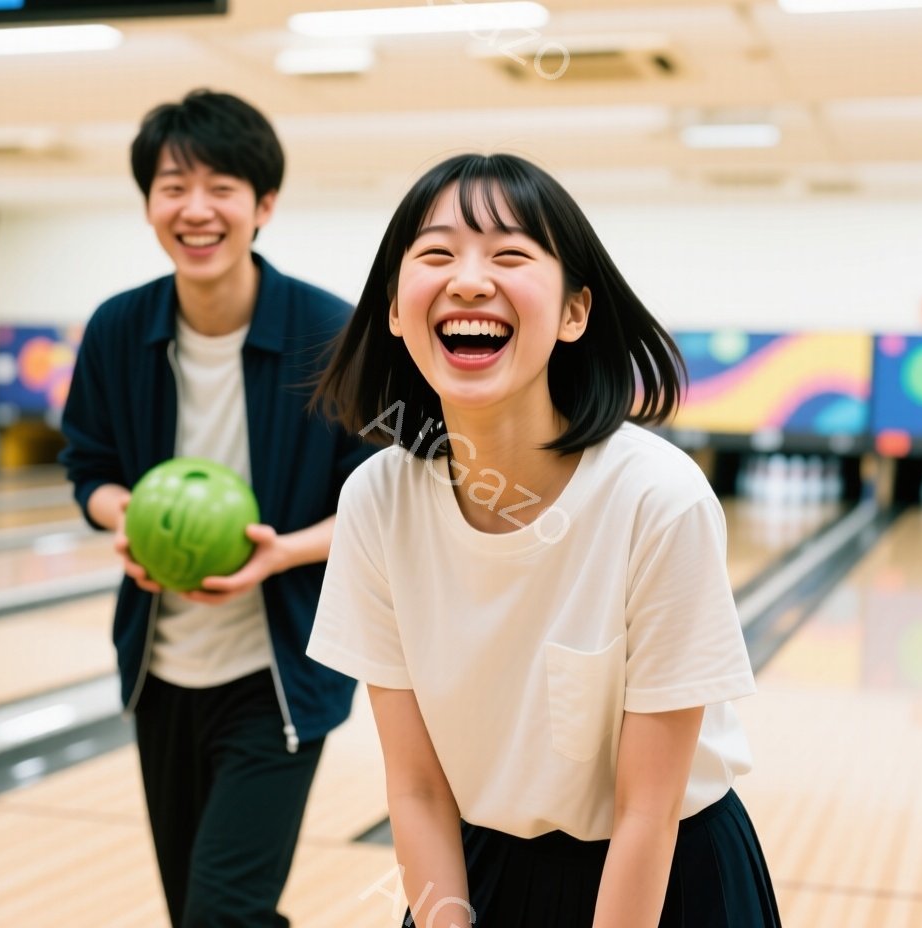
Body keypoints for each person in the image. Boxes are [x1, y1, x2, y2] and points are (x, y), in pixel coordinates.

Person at [309, 153, 783, 927]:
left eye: (509, 254)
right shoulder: (376, 501)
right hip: (471, 868)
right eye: (435, 254)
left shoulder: (658, 499)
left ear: (574, 313)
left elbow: (646, 812)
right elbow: (419, 791)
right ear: (395, 310)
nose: (468, 279)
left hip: (667, 874)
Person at [58, 88, 372, 926]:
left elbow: (385, 507)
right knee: (197, 911)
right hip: (159, 672)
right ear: (149, 204)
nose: (196, 209)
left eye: (222, 186)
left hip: (279, 678)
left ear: (263, 204)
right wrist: (119, 513)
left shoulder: (330, 335)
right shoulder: (119, 329)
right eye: (173, 186)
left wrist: (283, 550)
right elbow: (86, 465)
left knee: (221, 913)